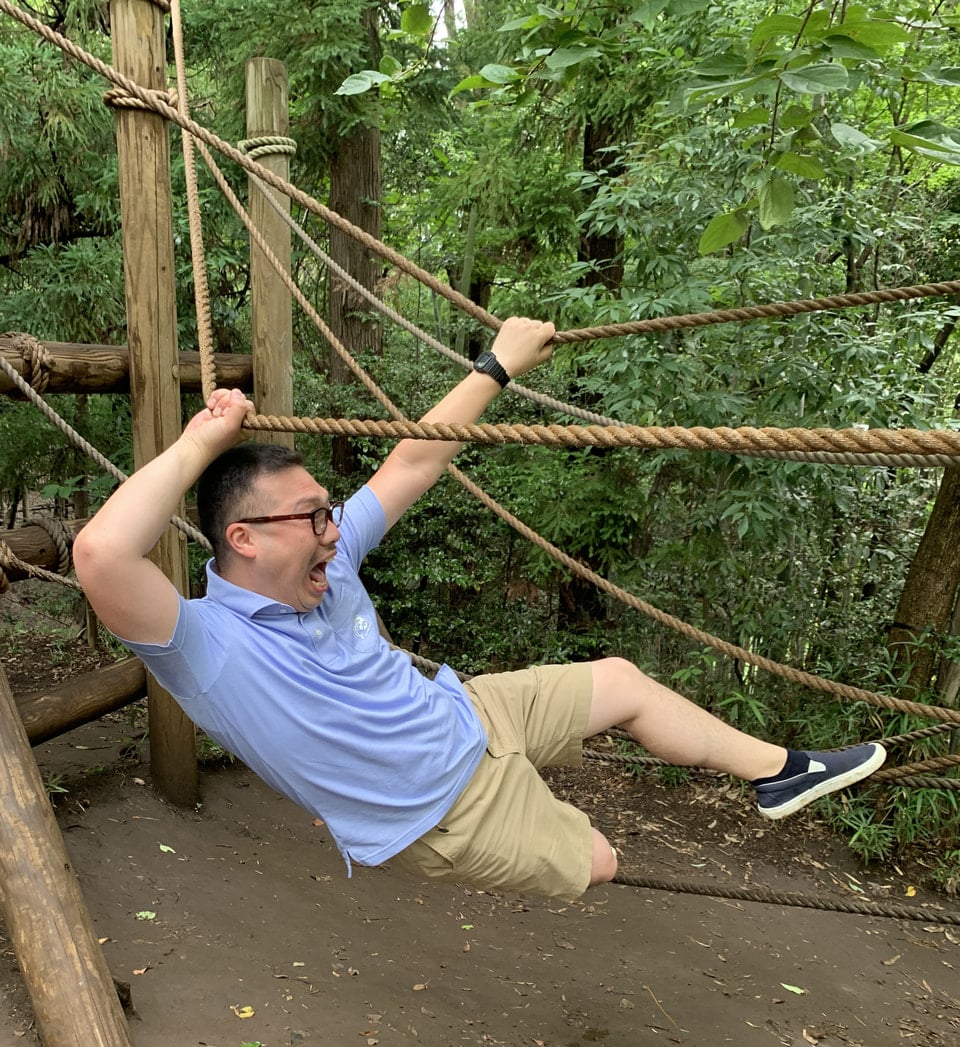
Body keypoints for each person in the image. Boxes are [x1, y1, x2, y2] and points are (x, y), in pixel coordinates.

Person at [73, 317, 885, 901]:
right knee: (597, 861)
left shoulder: (331, 554)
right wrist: (200, 444)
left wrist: (498, 364)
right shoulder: (205, 645)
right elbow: (101, 555)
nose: (334, 529)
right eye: (313, 517)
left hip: (461, 710)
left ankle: (781, 773)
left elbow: (415, 460)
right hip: (442, 810)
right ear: (243, 538)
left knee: (624, 681)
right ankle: (517, 808)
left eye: (331, 512)